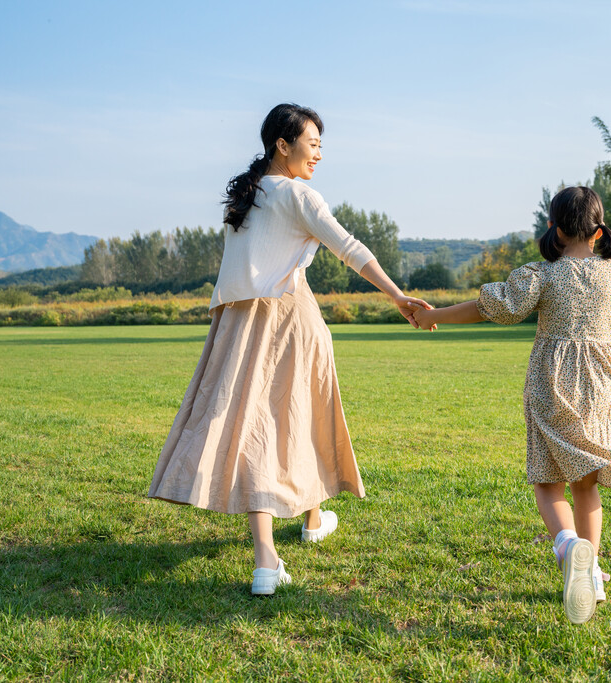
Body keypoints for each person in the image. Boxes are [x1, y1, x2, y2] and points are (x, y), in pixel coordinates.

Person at [148, 103, 430, 596]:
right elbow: (351, 249)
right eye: (313, 143)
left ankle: (295, 533)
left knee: (257, 427)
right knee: (291, 421)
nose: (319, 154)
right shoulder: (299, 195)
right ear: (284, 144)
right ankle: (272, 552)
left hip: (237, 324)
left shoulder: (248, 197)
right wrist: (399, 297)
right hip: (286, 318)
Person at [410, 186, 611, 624]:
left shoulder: (541, 274)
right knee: (586, 483)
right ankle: (589, 573)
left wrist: (435, 314)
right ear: (599, 230)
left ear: (553, 228)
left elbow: (491, 307)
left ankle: (570, 547)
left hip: (552, 382)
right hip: (605, 385)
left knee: (548, 479)